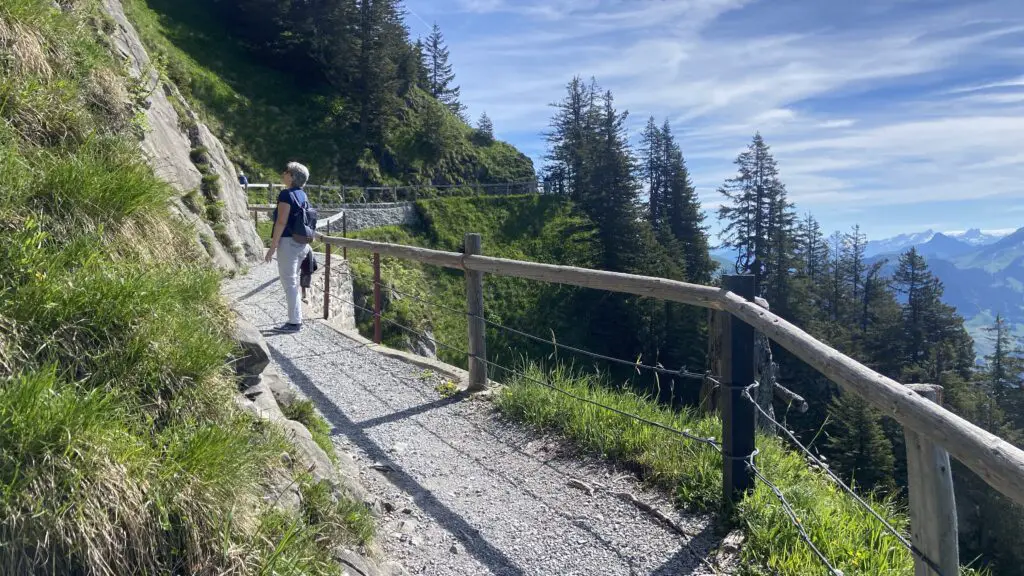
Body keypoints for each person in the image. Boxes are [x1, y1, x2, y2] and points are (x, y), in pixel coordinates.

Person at [265, 162, 312, 331]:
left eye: (285, 172)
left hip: (288, 243)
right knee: (293, 281)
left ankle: (294, 322)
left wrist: (272, 246)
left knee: (289, 283)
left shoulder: (286, 194)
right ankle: (296, 318)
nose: (283, 174)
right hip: (301, 244)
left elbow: (281, 221)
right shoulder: (302, 195)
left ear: (292, 176)